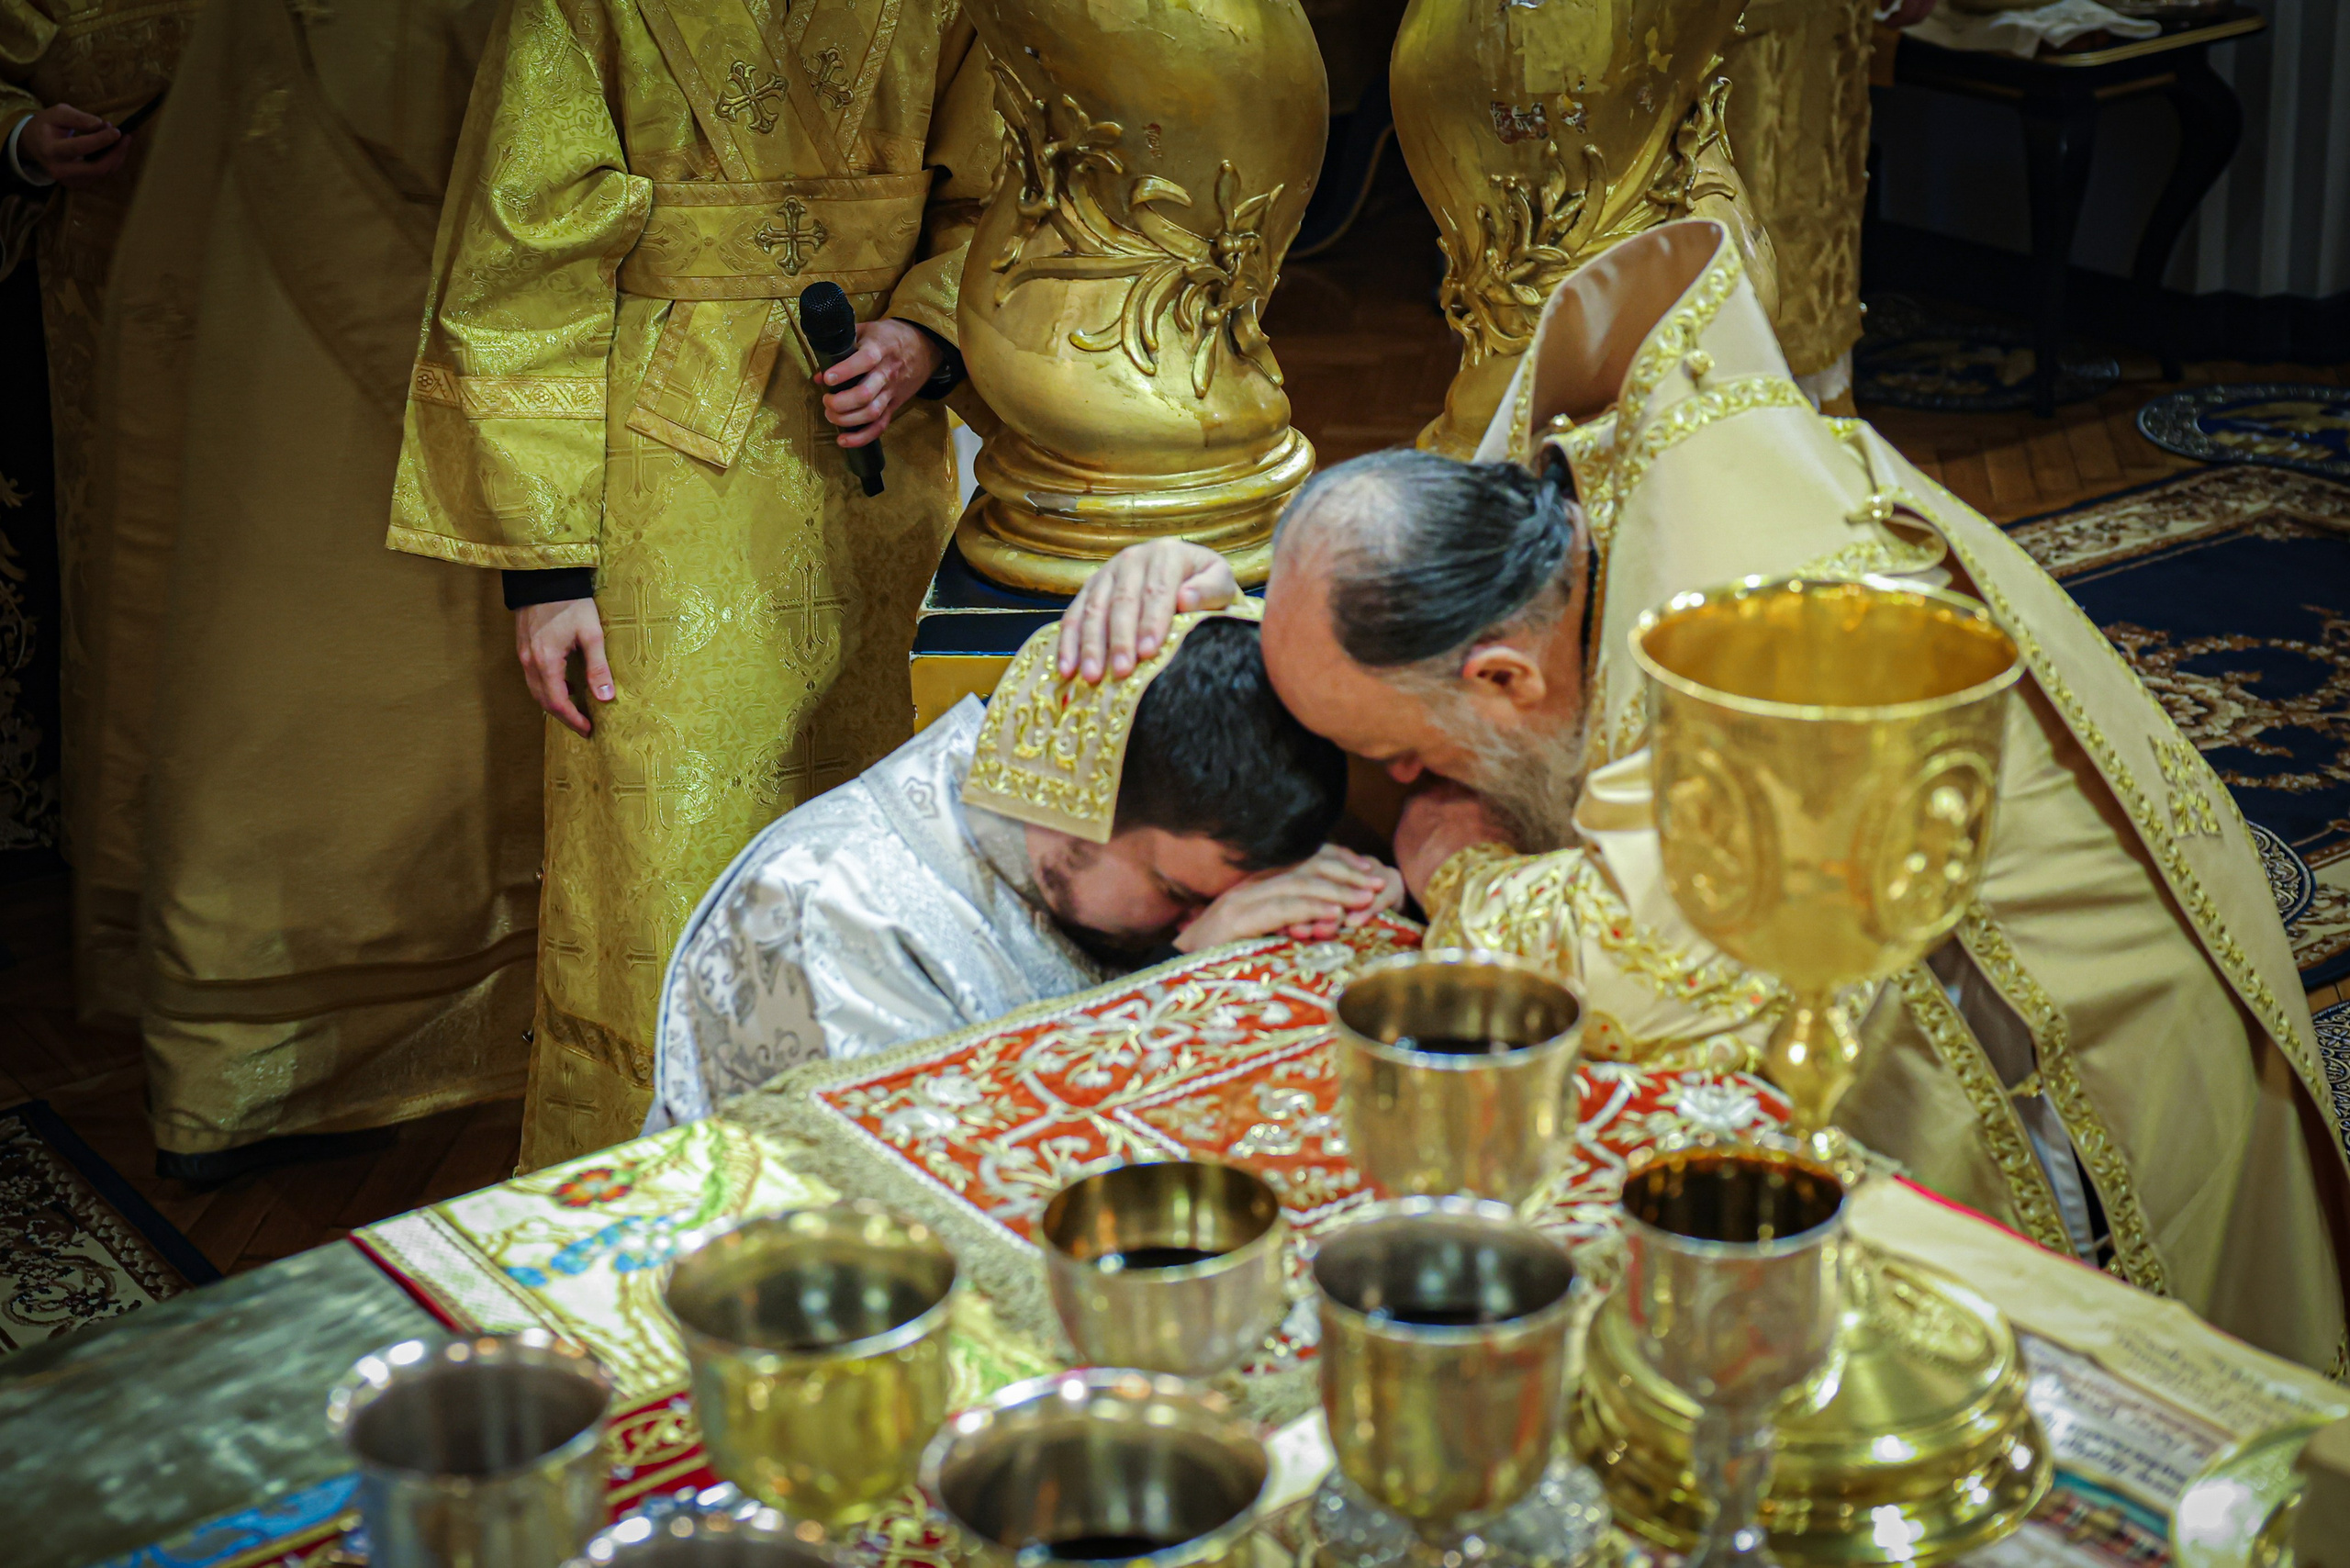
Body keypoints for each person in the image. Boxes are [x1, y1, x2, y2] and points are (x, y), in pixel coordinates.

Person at [1059, 217, 2350, 1372]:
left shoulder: (1770, 618)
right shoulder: (1541, 520)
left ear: (1501, 674)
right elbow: (1372, 634)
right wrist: (1204, 591)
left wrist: (1457, 869)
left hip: (2059, 1058)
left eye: (1407, 757)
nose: (1394, 788)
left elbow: (1667, 959)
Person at [388, 0, 999, 1167]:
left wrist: (925, 336)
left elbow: (1005, 199)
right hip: (664, 483)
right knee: (661, 858)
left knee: (891, 833)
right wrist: (548, 570)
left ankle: (882, 1173)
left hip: (876, 472)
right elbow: (519, 267)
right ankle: (651, 1192)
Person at [76, 0, 540, 1184]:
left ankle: (240, 1052)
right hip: (360, 375)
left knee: (272, 685)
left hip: (268, 323)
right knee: (334, 699)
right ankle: (278, 1052)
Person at [649, 607, 1401, 1128]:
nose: (1213, 923)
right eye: (1177, 893)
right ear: (1069, 806)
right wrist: (1178, 985)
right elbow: (936, 1192)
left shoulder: (1098, 797)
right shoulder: (824, 909)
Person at [3, 0, 196, 1025]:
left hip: (309, 261)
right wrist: (20, 139)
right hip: (99, 274)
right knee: (139, 584)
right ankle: (149, 897)